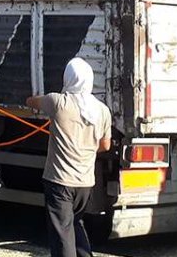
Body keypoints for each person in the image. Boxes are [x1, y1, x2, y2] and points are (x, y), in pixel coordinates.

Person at [27, 58, 112, 257]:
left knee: (62, 233)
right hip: (84, 183)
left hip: (59, 182)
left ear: (68, 78)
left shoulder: (58, 102)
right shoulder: (102, 110)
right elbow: (105, 145)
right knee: (74, 223)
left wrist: (32, 99)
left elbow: (31, 102)